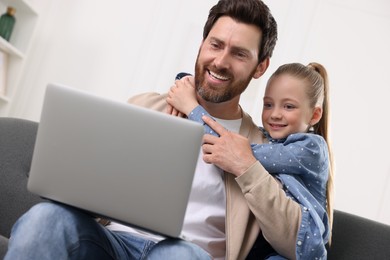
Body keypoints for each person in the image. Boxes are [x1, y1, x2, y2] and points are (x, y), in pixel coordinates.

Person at [4, 0, 313, 259]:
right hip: (111, 243)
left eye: (239, 53)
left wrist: (247, 166)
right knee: (46, 219)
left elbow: (295, 240)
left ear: (260, 66)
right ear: (202, 44)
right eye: (215, 45)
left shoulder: (265, 147)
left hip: (185, 253)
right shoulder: (144, 105)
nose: (220, 61)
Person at [167, 62, 335, 258]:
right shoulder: (267, 138)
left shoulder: (311, 148)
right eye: (268, 104)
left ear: (314, 115)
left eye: (288, 106)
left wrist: (191, 107)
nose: (275, 114)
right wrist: (184, 82)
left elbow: (235, 151)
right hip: (263, 244)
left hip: (301, 247)